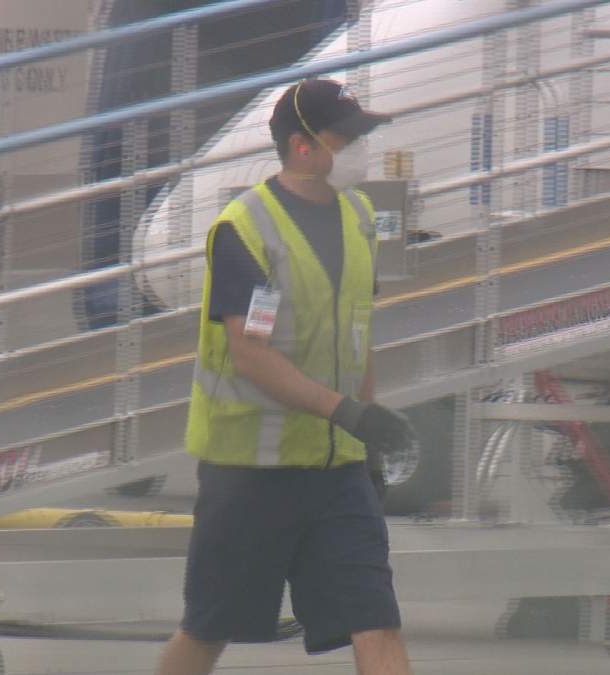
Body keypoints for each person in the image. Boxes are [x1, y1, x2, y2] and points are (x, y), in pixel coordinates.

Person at [156, 78, 415, 675]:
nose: (357, 149)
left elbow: (358, 335)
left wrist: (366, 439)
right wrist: (346, 412)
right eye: (344, 138)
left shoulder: (358, 216)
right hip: (251, 475)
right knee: (208, 630)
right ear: (302, 146)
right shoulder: (248, 230)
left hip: (337, 472)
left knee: (377, 623)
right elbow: (252, 354)